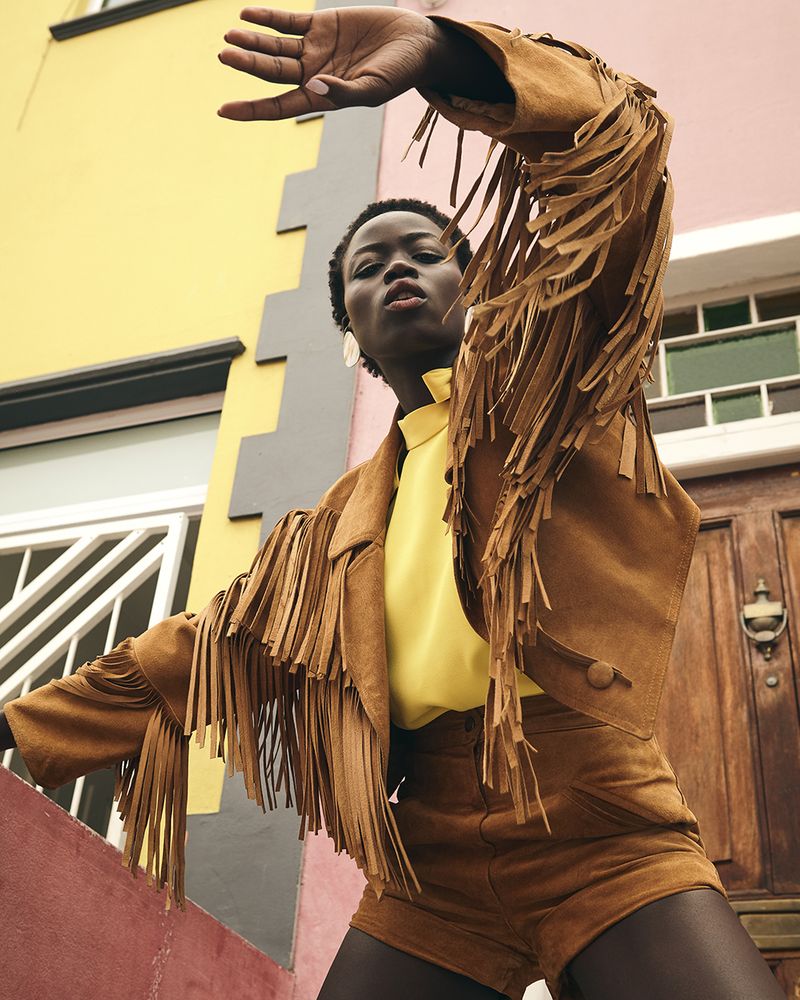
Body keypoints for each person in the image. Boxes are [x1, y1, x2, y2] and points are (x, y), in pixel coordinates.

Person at [0, 7, 787, 1000]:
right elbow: (200, 650)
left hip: (597, 815)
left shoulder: (552, 383)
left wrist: (448, 53)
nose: (396, 268)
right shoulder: (333, 527)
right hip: (429, 856)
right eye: (367, 269)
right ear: (355, 339)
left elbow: (616, 157)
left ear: (477, 283)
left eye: (425, 251)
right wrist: (16, 729)